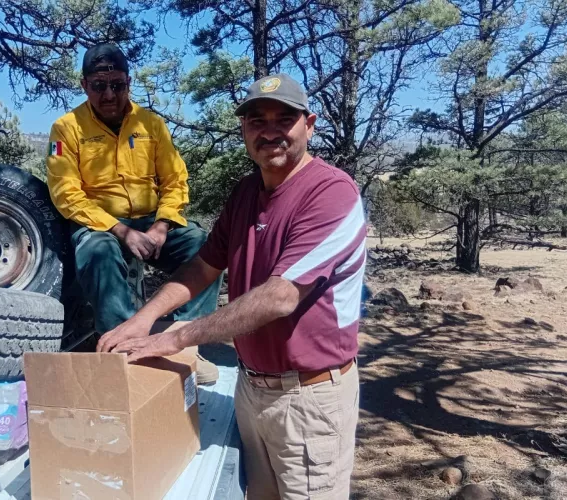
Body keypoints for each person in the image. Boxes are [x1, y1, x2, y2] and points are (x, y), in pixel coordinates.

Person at [98, 73, 366, 499]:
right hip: (251, 389)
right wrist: (143, 319)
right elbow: (203, 266)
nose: (270, 131)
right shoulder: (246, 193)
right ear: (244, 129)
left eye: (285, 119)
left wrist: (176, 337)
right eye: (257, 121)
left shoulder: (331, 193)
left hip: (309, 398)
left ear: (310, 125)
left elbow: (280, 297)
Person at [46, 43, 222, 384]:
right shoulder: (66, 128)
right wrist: (121, 231)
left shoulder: (151, 124)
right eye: (99, 86)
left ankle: (187, 346)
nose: (109, 95)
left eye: (117, 85)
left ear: (128, 82)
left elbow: (175, 179)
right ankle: (123, 349)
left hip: (150, 222)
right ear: (84, 85)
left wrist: (161, 226)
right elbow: (66, 194)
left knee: (204, 246)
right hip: (97, 224)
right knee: (99, 252)